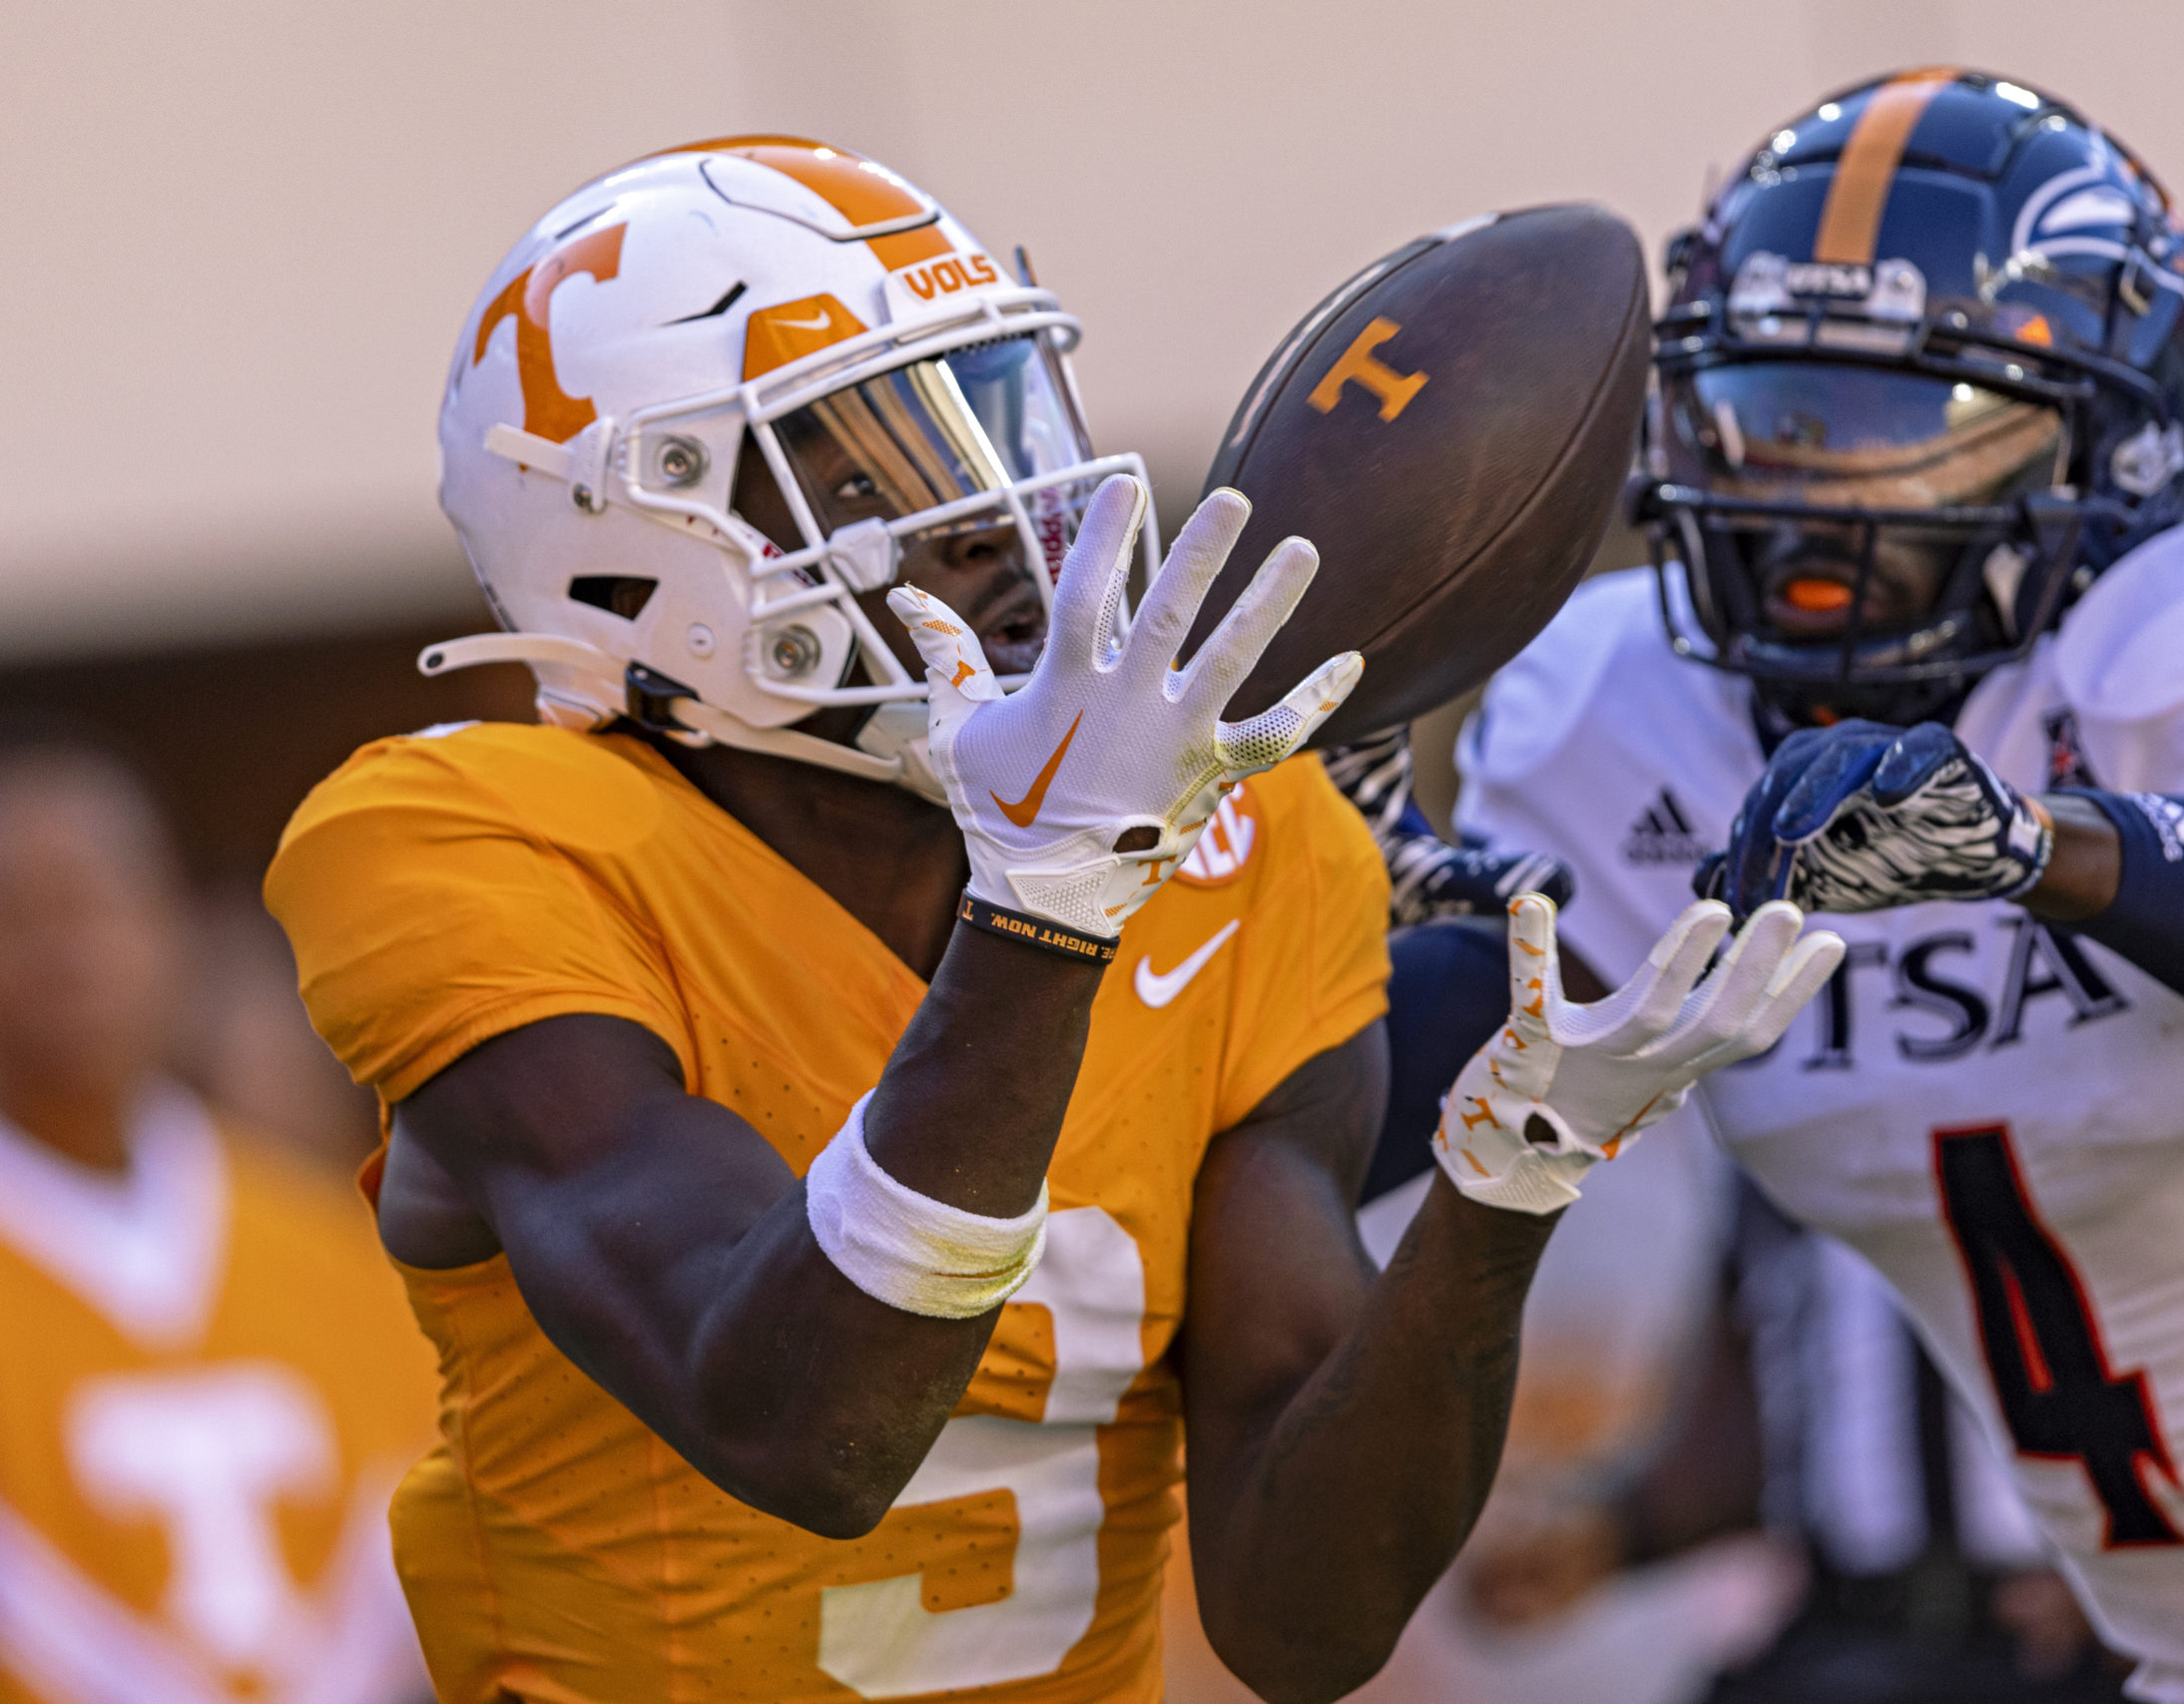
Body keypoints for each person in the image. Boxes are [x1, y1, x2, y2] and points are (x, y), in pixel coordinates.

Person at [262, 138, 1841, 1704]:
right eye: (871, 465)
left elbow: (1303, 1618)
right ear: (627, 557)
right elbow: (804, 1426)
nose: (989, 510)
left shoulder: (1249, 843)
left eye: (986, 415)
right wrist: (1048, 907)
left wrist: (1499, 1197)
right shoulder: (474, 840)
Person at [1447, 69, 2184, 1704]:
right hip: (2183, 1671)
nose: (1808, 497)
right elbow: (1380, 1081)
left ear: (2114, 455)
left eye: (1905, 431)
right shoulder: (1617, 718)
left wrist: (2047, 849)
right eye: (1770, 408)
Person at [0, 732, 436, 1704]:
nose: (68, 954)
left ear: (176, 927)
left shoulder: (325, 1237)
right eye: (19, 917)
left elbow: (417, 1537)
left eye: (97, 905)